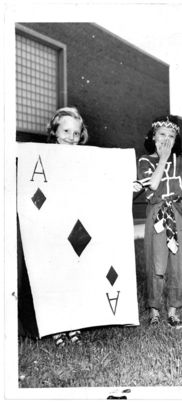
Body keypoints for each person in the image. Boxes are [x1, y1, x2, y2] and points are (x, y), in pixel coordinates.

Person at [18, 107, 90, 346]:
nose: (71, 137)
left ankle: (73, 325)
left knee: (72, 275)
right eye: (66, 131)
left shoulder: (86, 161)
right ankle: (55, 326)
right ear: (55, 132)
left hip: (75, 228)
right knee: (52, 277)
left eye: (76, 133)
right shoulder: (40, 158)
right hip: (49, 227)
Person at [137, 105, 182, 328]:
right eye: (162, 135)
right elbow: (154, 184)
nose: (166, 139)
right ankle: (154, 310)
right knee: (156, 263)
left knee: (178, 265)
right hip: (157, 213)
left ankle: (172, 310)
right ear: (153, 136)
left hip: (177, 213)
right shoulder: (145, 161)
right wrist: (162, 158)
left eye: (171, 136)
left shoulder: (180, 159)